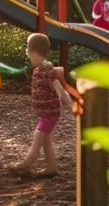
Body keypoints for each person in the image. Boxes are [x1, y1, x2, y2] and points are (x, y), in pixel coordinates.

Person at [14, 32, 84, 177]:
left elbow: (60, 90)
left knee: (38, 135)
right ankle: (51, 168)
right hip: (46, 113)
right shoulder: (42, 68)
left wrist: (72, 107)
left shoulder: (46, 70)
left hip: (50, 114)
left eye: (28, 51)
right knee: (45, 139)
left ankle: (26, 164)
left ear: (31, 51)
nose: (27, 54)